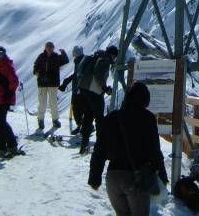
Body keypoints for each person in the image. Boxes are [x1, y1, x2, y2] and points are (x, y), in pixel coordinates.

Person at [89, 82, 168, 216]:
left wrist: (95, 178)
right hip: (136, 178)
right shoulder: (147, 118)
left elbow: (99, 150)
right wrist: (162, 174)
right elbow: (154, 150)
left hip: (113, 178)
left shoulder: (111, 117)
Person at [77, 44, 119, 154]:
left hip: (84, 89)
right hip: (94, 92)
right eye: (115, 57)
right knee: (100, 119)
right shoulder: (105, 59)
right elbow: (98, 74)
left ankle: (84, 145)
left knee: (88, 116)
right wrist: (105, 88)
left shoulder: (97, 56)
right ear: (112, 55)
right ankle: (100, 146)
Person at [0, 46, 21, 157]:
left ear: (4, 55)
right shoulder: (2, 65)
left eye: (0, 54)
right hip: (0, 99)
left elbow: (14, 81)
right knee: (0, 122)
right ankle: (11, 145)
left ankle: (1, 147)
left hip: (3, 99)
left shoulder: (5, 65)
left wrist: (8, 93)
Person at [32, 41, 69, 131]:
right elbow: (35, 66)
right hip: (42, 83)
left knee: (53, 103)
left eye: (51, 47)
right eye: (48, 47)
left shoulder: (56, 57)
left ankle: (55, 120)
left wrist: (63, 53)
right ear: (45, 47)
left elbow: (65, 60)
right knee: (42, 103)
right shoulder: (41, 56)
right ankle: (40, 120)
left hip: (52, 83)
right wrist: (36, 72)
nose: (49, 48)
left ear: (53, 48)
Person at [59, 45, 85, 134]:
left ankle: (82, 126)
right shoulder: (80, 61)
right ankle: (83, 126)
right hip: (80, 89)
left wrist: (66, 83)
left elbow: (78, 76)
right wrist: (66, 82)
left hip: (78, 90)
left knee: (77, 110)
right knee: (80, 109)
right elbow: (75, 75)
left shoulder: (80, 62)